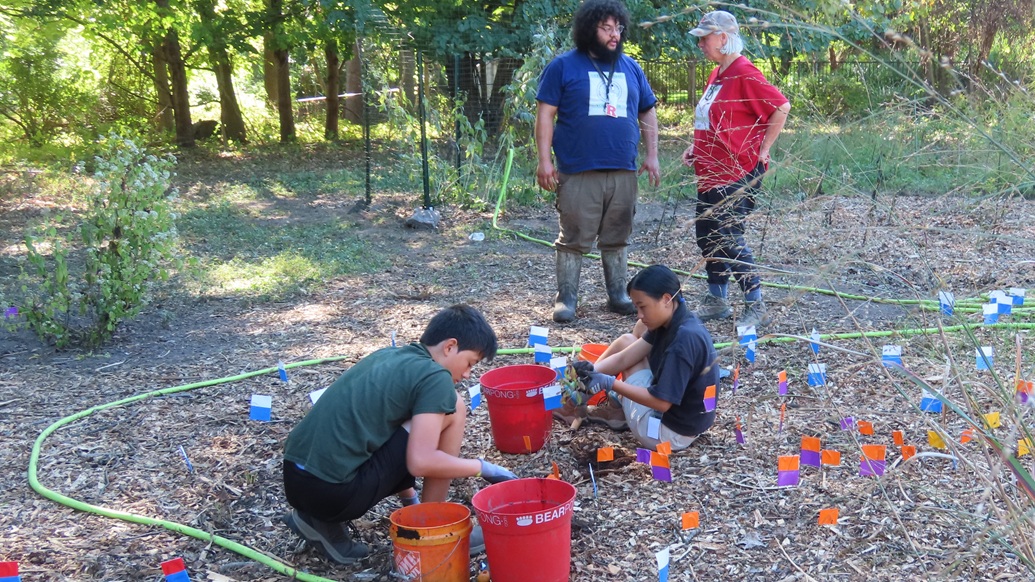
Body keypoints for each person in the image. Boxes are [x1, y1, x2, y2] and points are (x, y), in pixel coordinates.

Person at [281, 304, 517, 564]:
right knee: (455, 407)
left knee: (420, 415)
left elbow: (386, 429)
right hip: (333, 494)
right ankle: (434, 525)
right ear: (450, 346)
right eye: (470, 362)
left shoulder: (389, 355)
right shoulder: (435, 377)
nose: (468, 373)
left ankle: (318, 522)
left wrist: (409, 499)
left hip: (296, 480)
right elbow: (421, 461)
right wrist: (483, 468)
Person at [536, 0, 661, 323]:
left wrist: (652, 155)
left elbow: (647, 110)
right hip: (578, 169)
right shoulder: (563, 67)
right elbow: (546, 114)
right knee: (574, 236)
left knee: (618, 233)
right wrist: (544, 160)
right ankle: (567, 299)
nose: (614, 35)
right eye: (606, 28)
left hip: (622, 169)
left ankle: (618, 294)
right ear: (589, 29)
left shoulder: (632, 68)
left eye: (618, 28)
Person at [682, 10, 790, 328]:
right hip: (709, 169)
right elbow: (711, 118)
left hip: (736, 170)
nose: (700, 43)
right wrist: (696, 145)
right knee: (707, 235)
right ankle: (717, 300)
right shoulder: (718, 74)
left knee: (728, 236)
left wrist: (764, 149)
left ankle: (755, 303)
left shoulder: (744, 72)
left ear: (724, 38)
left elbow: (780, 107)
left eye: (705, 37)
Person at [573, 265, 720, 451]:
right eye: (636, 307)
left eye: (642, 307)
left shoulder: (683, 341)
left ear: (666, 299)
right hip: (689, 422)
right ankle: (576, 396)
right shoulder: (677, 319)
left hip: (668, 434)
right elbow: (623, 357)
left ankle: (580, 402)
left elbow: (661, 403)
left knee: (629, 349)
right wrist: (591, 371)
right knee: (629, 339)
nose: (640, 315)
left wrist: (610, 383)